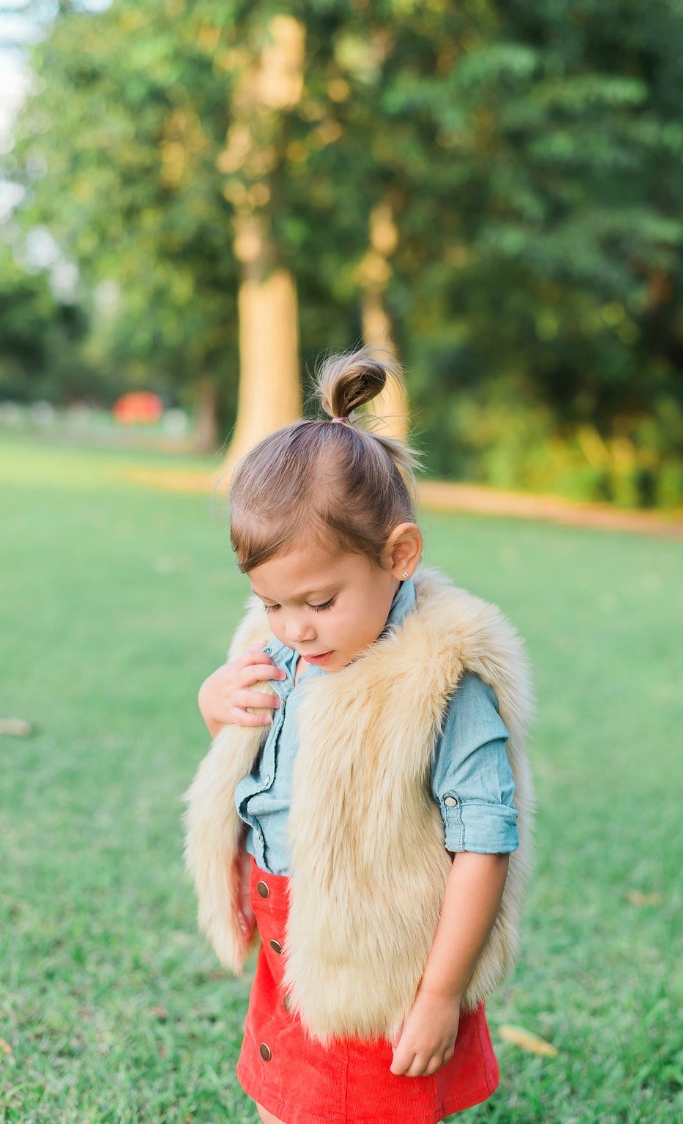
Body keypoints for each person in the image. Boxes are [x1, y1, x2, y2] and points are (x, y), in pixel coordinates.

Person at [184, 349, 534, 1124]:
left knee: (365, 1107)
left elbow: (486, 845)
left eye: (318, 600)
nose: (293, 629)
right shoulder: (287, 647)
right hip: (289, 930)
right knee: (289, 1099)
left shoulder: (443, 682)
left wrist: (441, 993)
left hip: (382, 955)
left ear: (399, 556)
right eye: (270, 604)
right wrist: (216, 702)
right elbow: (259, 755)